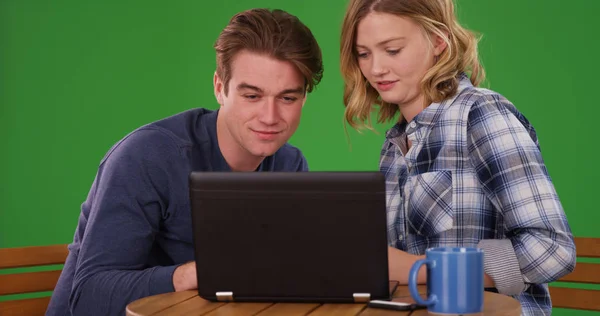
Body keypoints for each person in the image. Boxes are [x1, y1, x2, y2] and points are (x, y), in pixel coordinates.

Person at [46, 8, 323, 316]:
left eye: (287, 98)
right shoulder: (147, 157)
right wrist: (191, 275)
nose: (270, 117)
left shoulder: (289, 165)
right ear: (220, 88)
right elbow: (87, 297)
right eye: (252, 96)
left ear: (303, 99)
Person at [339, 0, 575, 314]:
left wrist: (421, 269)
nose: (375, 68)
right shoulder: (395, 145)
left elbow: (552, 249)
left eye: (392, 50)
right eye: (363, 54)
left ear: (439, 41)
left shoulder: (480, 114)